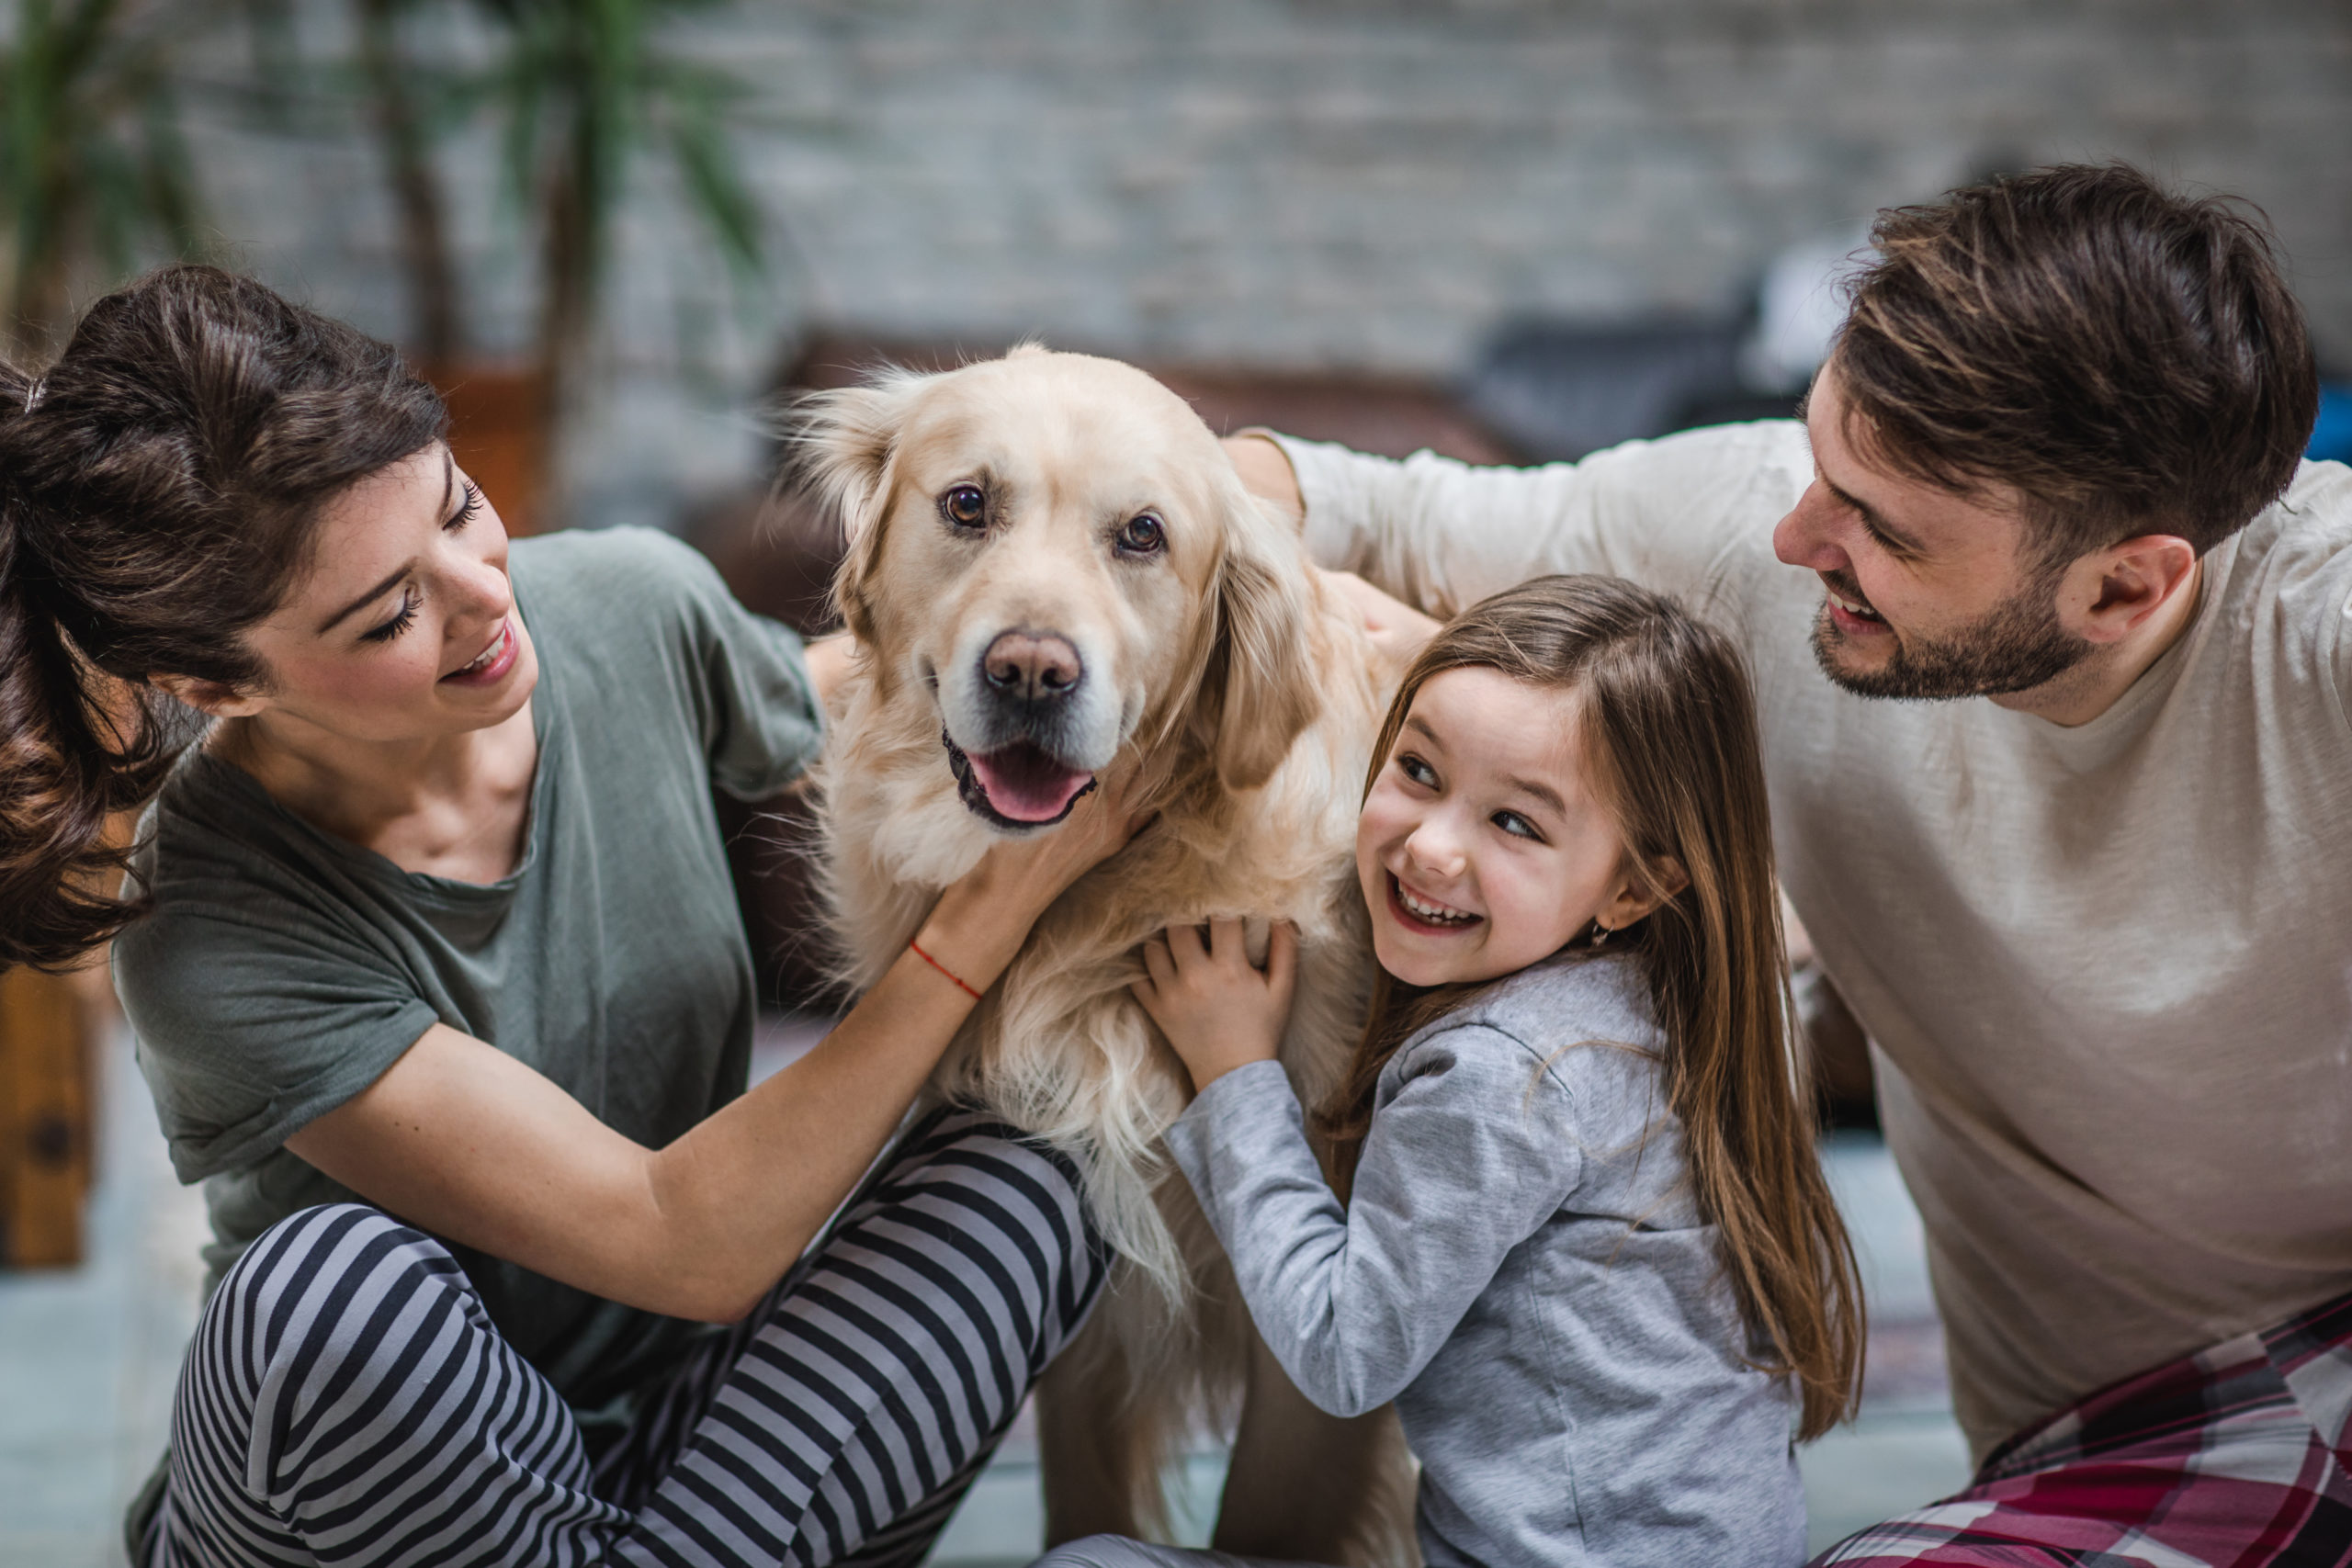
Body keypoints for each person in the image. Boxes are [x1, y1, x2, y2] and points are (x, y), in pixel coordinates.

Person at [1222, 164, 2352, 1563]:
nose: (1794, 537)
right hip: (2088, 1452)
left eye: (1884, 527)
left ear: (2128, 586)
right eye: (1821, 457)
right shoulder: (1767, 529)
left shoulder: (2317, 640)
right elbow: (1355, 504)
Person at [0, 265, 1147, 1567]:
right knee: (318, 1296)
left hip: (698, 1463)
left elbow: (869, 689)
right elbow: (683, 1236)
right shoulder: (210, 930)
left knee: (1047, 1152)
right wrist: (993, 909)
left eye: (459, 508)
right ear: (214, 680)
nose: (485, 596)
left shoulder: (628, 605)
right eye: (391, 612)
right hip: (381, 1499)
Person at [1038, 576, 1864, 1568]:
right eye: (1419, 771)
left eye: (1515, 824)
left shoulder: (1502, 1078)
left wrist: (1233, 1075)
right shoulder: (1679, 1008)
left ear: (1638, 883)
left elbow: (1344, 1355)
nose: (1430, 848)